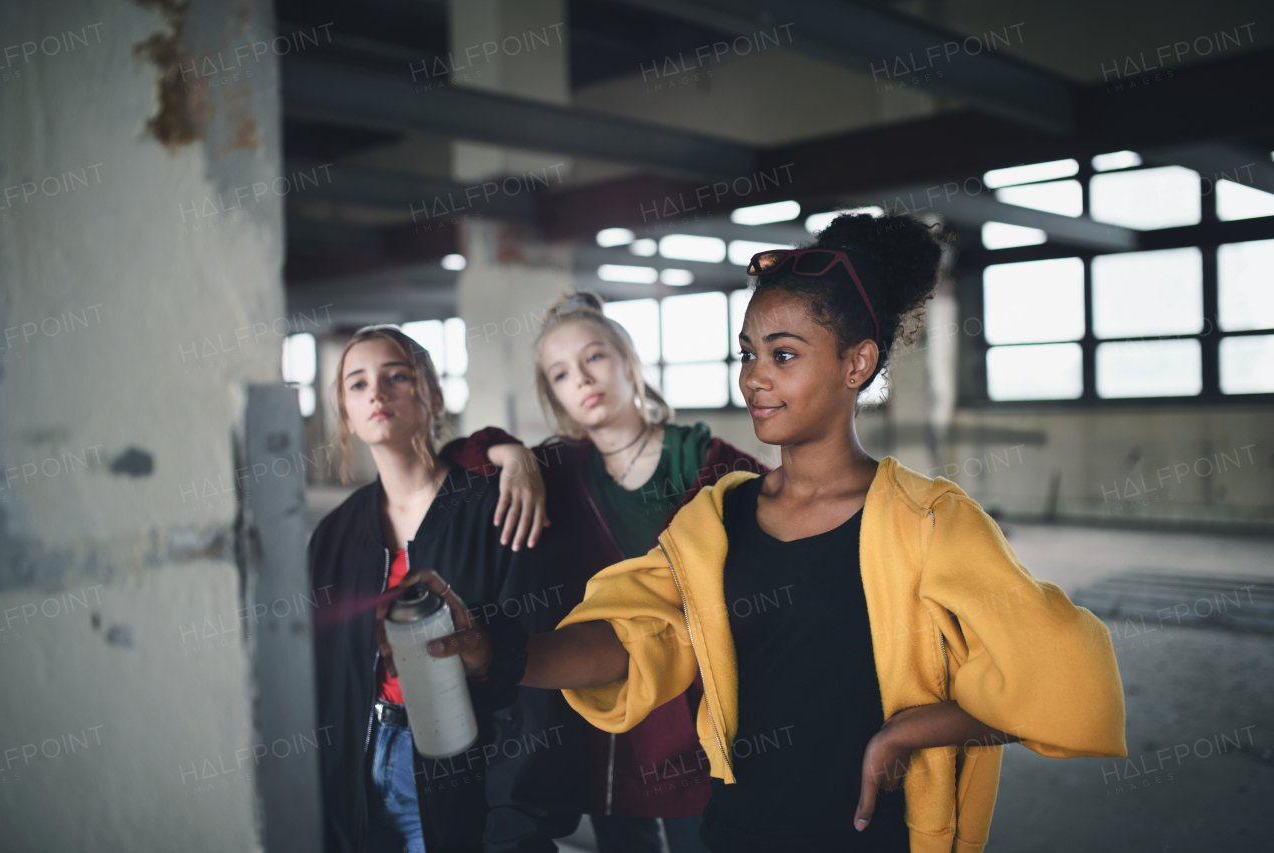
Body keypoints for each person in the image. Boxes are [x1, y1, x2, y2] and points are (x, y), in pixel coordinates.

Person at [419, 213, 1129, 852]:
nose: (755, 377)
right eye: (747, 352)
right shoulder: (715, 518)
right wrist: (501, 654)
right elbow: (633, 637)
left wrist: (922, 726)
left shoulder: (928, 520)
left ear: (858, 361)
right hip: (737, 831)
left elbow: (1070, 674)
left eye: (783, 354)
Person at [439, 292, 766, 853]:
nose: (582, 380)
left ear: (628, 361)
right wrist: (511, 454)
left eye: (594, 358)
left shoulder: (703, 458)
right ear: (554, 394)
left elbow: (777, 531)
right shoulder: (557, 471)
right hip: (606, 713)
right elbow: (457, 459)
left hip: (700, 705)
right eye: (561, 374)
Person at [308, 324, 564, 853]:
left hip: (461, 773)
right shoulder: (334, 535)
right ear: (347, 416)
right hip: (358, 774)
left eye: (395, 376)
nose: (376, 393)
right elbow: (326, 683)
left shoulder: (497, 507)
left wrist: (518, 820)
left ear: (434, 397)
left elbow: (535, 681)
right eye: (357, 384)